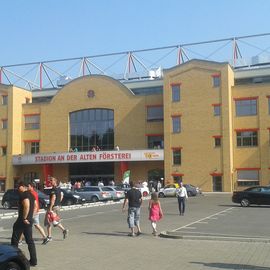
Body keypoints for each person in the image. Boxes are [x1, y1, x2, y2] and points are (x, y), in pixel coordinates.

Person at [11, 181, 37, 266]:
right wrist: (30, 217)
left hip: (22, 221)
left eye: (19, 187)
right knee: (30, 241)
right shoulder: (32, 195)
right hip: (29, 221)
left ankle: (13, 260)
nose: (18, 188)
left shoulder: (24, 195)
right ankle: (33, 261)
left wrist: (25, 218)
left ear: (23, 186)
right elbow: (35, 207)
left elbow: (27, 205)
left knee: (14, 241)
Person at [43, 177, 68, 243]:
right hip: (57, 206)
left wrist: (50, 208)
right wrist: (58, 203)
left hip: (53, 207)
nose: (50, 182)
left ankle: (49, 236)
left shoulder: (53, 189)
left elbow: (53, 199)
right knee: (54, 221)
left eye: (51, 181)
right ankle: (64, 230)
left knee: (48, 222)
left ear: (55, 181)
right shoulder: (59, 189)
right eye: (50, 181)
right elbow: (62, 196)